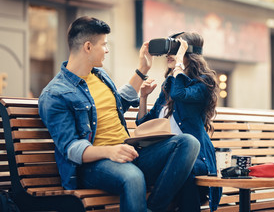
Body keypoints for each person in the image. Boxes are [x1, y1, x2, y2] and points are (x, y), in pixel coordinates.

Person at [38, 16, 200, 212]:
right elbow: (71, 148)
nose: (107, 50)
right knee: (132, 176)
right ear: (88, 47)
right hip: (94, 166)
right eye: (104, 45)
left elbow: (117, 105)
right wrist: (110, 151)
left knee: (189, 143)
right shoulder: (55, 94)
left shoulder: (99, 75)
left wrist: (143, 68)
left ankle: (153, 208)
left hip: (127, 153)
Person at [136, 32, 222, 212]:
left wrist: (179, 65)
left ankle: (152, 208)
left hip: (197, 157)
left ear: (188, 53)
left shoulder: (203, 83)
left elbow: (180, 94)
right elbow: (143, 124)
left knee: (186, 169)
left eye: (175, 50)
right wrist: (143, 98)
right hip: (166, 153)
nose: (169, 55)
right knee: (180, 170)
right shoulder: (170, 84)